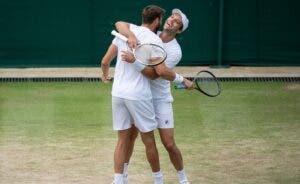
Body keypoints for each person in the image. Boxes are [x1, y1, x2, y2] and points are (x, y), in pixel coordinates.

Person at [101, 5, 192, 184]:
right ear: (159, 21)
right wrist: (131, 36)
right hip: (139, 95)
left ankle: (183, 179)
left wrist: (182, 80)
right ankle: (123, 178)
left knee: (169, 143)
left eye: (177, 21)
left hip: (158, 98)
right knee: (130, 138)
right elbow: (120, 24)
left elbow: (159, 73)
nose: (172, 20)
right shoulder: (148, 35)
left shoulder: (174, 51)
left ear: (179, 30)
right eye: (171, 17)